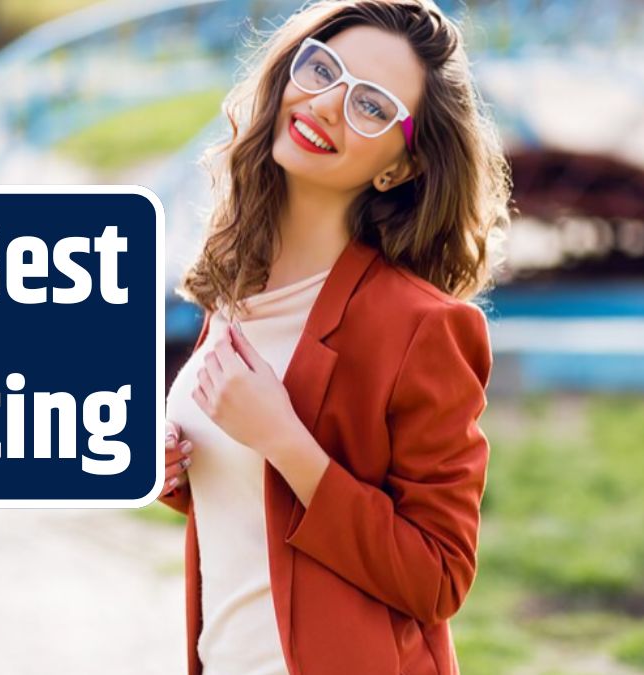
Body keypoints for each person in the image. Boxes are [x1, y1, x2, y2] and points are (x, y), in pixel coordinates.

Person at [160, 0, 511, 672]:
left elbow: (438, 576)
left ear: (399, 168)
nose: (326, 104)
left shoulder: (424, 327)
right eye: (321, 69)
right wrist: (176, 467)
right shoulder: (236, 288)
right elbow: (251, 513)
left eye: (371, 106)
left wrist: (287, 442)